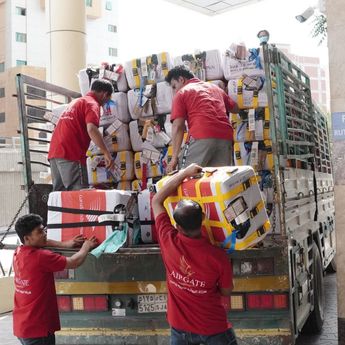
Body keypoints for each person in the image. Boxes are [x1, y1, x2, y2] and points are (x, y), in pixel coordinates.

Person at [152, 164, 238, 345]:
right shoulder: (217, 257)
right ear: (203, 220)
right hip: (214, 329)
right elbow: (226, 291)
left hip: (179, 330)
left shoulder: (168, 242)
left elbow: (156, 201)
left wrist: (184, 172)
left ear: (178, 227)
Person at [13, 214, 98, 345]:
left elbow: (44, 242)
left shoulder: (18, 252)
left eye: (44, 229)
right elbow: (74, 262)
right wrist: (86, 246)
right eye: (40, 232)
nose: (45, 233)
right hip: (38, 328)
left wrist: (66, 244)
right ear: (27, 238)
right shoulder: (41, 257)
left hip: (23, 325)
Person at [165, 65, 239, 173]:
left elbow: (178, 126)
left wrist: (174, 158)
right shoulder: (215, 88)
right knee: (217, 179)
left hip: (201, 135)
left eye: (174, 86)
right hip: (225, 137)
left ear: (181, 79)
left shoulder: (182, 93)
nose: (174, 91)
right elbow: (235, 108)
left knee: (186, 176)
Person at [48, 79, 115, 191]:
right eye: (108, 100)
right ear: (104, 94)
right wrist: (106, 152)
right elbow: (92, 129)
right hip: (71, 153)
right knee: (78, 195)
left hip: (55, 153)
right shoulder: (92, 104)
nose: (106, 104)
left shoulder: (77, 102)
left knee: (59, 196)